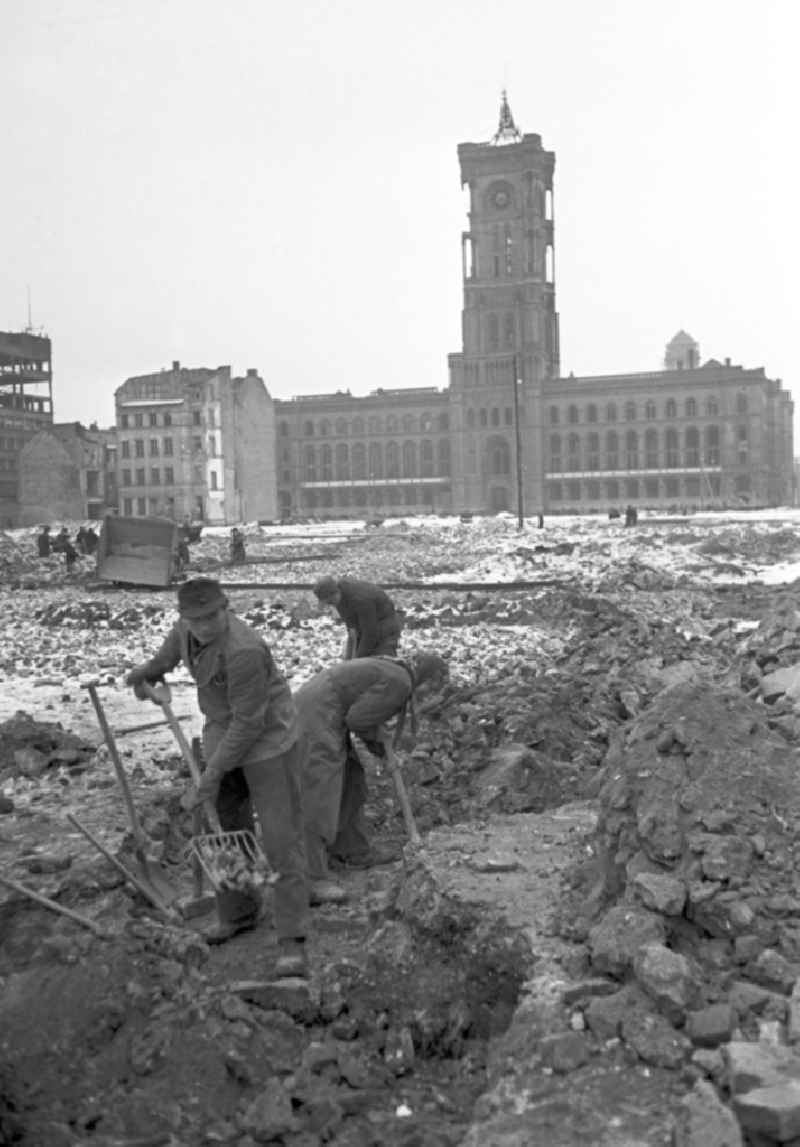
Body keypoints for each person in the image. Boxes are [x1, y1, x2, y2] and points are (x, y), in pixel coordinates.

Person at [124, 578, 309, 977]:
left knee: (279, 839)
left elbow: (249, 724)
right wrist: (147, 672)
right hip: (222, 729)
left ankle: (292, 940)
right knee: (225, 828)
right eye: (197, 619)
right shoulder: (184, 631)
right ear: (184, 618)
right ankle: (240, 912)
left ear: (226, 608)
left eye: (213, 616)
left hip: (268, 740)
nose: (206, 625)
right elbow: (169, 656)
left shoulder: (243, 650)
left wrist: (211, 774)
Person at [295, 652, 448, 899]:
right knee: (320, 793)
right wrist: (380, 745)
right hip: (316, 715)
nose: (428, 697)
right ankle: (311, 878)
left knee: (351, 779)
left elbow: (362, 713)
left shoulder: (398, 673)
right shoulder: (400, 682)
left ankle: (350, 850)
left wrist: (380, 747)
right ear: (427, 679)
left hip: (327, 711)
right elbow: (359, 720)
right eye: (432, 689)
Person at [313, 575, 403, 659]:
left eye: (330, 602)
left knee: (381, 661)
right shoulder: (339, 598)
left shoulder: (360, 599)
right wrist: (348, 659)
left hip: (385, 624)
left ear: (335, 593)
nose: (331, 605)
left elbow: (370, 632)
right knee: (359, 658)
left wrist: (357, 659)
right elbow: (352, 630)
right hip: (366, 625)